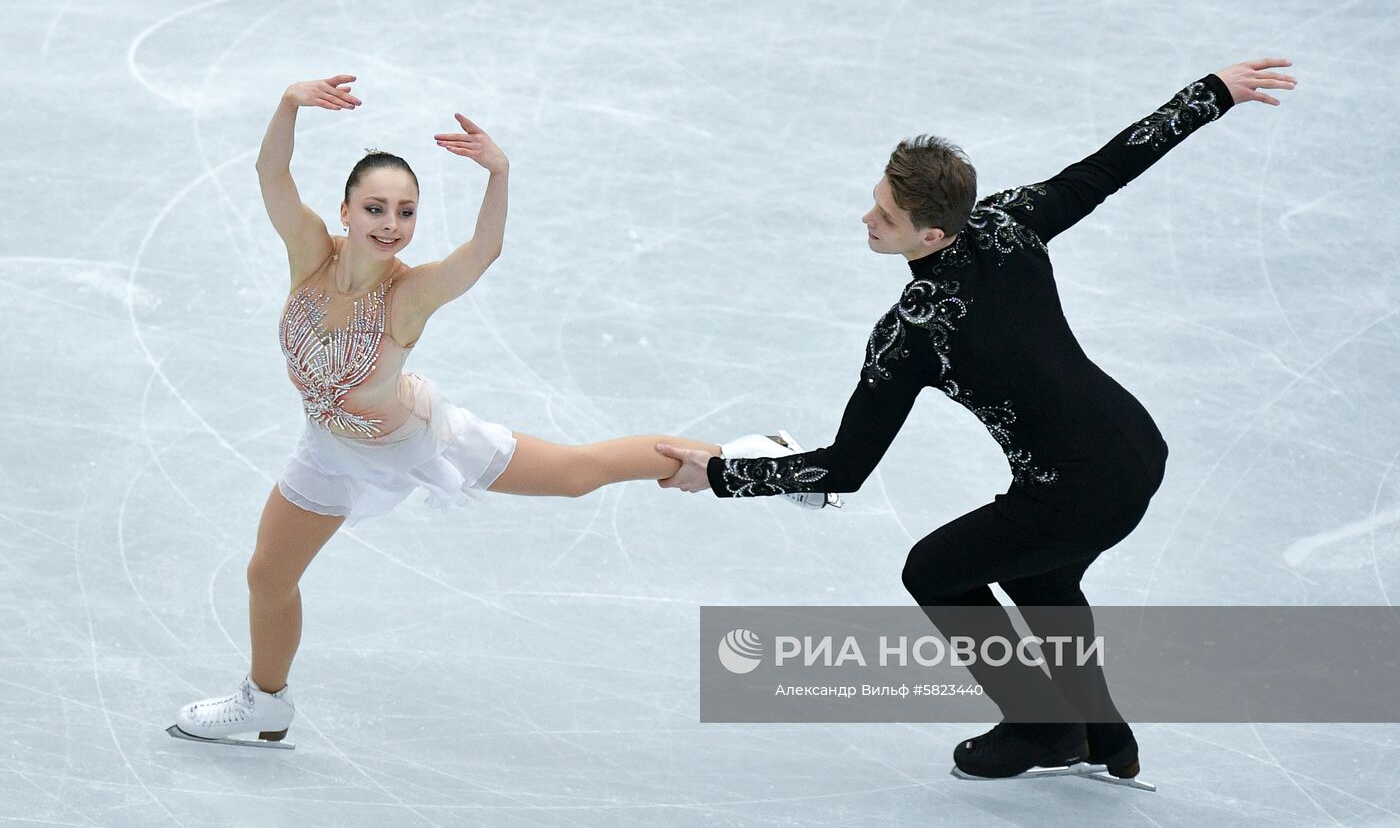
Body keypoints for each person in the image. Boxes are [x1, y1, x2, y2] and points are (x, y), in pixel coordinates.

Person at [658, 59, 1297, 783]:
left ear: (931, 235)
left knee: (934, 570)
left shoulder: (914, 331)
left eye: (887, 218)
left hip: (1075, 487)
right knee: (1043, 582)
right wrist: (1209, 93)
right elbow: (1108, 167)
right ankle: (1103, 737)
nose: (867, 221)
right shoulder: (1005, 221)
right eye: (876, 201)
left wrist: (716, 474)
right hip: (1135, 450)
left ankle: (1040, 728)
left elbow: (845, 470)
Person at [167, 74, 817, 748]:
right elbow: (270, 172)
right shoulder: (308, 256)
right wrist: (288, 103)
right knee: (267, 575)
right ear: (345, 211)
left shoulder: (408, 296)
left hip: (417, 441)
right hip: (329, 449)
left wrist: (497, 174)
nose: (392, 226)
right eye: (377, 209)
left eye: (407, 212)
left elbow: (483, 252)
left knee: (575, 473)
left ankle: (762, 460)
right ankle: (266, 701)